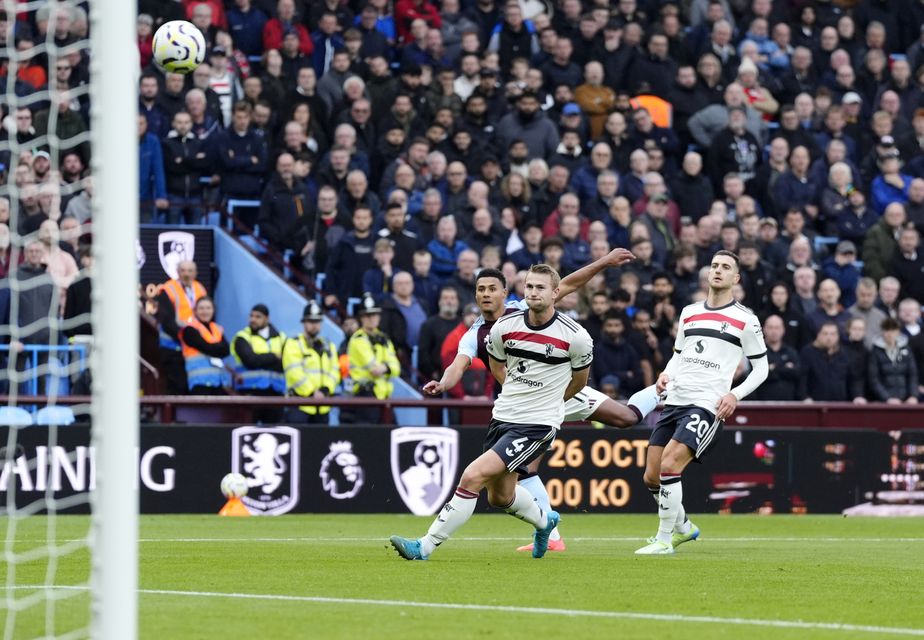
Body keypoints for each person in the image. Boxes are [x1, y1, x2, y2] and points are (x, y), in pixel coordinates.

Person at [423, 248, 662, 552]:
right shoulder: (476, 334)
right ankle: (553, 536)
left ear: (505, 293)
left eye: (492, 289)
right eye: (480, 290)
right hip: (525, 405)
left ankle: (661, 388)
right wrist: (443, 384)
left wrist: (604, 262)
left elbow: (569, 284)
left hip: (561, 391)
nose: (486, 295)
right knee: (524, 471)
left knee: (626, 418)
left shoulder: (522, 308)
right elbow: (459, 363)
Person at [389, 264, 594, 561]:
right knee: (500, 497)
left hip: (538, 423)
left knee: (473, 476)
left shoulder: (576, 336)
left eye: (540, 287)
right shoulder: (501, 328)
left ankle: (424, 546)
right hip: (504, 416)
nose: (534, 292)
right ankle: (544, 521)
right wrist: (447, 383)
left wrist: (551, 401)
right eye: (530, 287)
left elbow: (580, 381)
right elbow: (493, 366)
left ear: (555, 293)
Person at [635, 250, 768, 555]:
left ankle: (664, 540)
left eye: (726, 268)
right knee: (651, 476)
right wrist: (665, 374)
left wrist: (735, 394)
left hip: (707, 404)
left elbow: (762, 368)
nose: (718, 271)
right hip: (675, 400)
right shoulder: (690, 312)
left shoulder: (745, 320)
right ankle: (684, 528)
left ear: (736, 278)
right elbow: (678, 354)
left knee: (670, 465)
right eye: (714, 266)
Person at [282, 301, 341, 424]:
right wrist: (312, 392)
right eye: (311, 321)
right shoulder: (293, 343)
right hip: (300, 404)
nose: (314, 325)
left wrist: (326, 389)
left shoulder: (328, 345)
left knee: (321, 442)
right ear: (304, 323)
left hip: (323, 406)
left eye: (317, 321)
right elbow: (293, 372)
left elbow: (335, 370)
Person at [155, 260, 207, 394]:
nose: (186, 274)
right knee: (178, 387)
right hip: (174, 348)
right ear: (177, 272)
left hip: (194, 349)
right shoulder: (168, 289)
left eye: (190, 271)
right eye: (183, 270)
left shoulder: (200, 288)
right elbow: (167, 321)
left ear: (195, 273)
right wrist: (187, 337)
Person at [347, 294, 401, 423]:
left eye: (374, 314)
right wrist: (387, 367)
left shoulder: (383, 338)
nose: (371, 318)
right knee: (369, 437)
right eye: (367, 315)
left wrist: (386, 368)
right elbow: (374, 369)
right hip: (366, 395)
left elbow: (397, 368)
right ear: (361, 318)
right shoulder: (357, 340)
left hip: (384, 395)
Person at [231, 303, 286, 423]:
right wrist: (274, 356)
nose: (253, 319)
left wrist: (261, 359)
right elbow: (250, 361)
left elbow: (285, 364)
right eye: (251, 316)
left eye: (258, 316)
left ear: (267, 318)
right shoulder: (242, 337)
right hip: (249, 392)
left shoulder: (281, 338)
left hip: (275, 393)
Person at [180, 297, 232, 395]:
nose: (205, 311)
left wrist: (213, 347)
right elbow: (207, 347)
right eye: (201, 308)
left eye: (208, 308)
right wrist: (217, 347)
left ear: (213, 310)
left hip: (218, 382)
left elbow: (226, 350)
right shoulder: (190, 329)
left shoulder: (217, 328)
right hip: (199, 383)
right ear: (195, 311)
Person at [868, 317, 919, 404]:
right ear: (882, 332)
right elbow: (874, 379)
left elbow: (912, 374)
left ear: (898, 332)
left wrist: (913, 395)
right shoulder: (875, 352)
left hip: (906, 400)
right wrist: (887, 398)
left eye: (893, 330)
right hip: (883, 402)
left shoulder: (906, 349)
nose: (890, 334)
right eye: (887, 330)